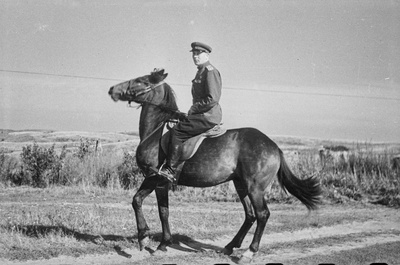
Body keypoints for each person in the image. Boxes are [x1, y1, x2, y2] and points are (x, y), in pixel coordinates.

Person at [158, 42, 223, 182]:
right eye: (193, 53)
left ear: (206, 54)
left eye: (198, 53)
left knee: (177, 132)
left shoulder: (210, 71)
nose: (195, 56)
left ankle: (170, 169)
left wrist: (193, 110)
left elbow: (212, 98)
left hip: (208, 116)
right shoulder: (201, 71)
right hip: (201, 115)